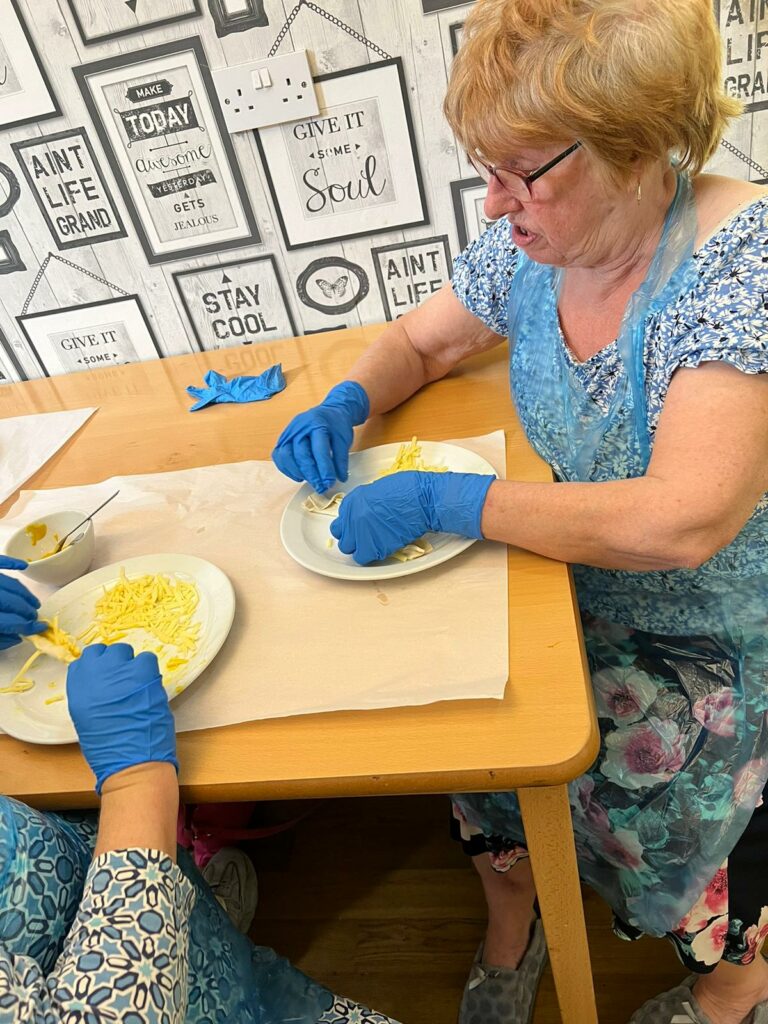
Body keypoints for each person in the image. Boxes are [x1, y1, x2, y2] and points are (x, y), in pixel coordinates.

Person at [271, 1, 768, 1021]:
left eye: (521, 172)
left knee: (686, 825)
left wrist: (450, 500)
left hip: (715, 633)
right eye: (485, 169)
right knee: (478, 750)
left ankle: (733, 986)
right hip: (561, 578)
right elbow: (423, 342)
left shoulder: (740, 263)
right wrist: (348, 399)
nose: (494, 203)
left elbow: (686, 519)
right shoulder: (535, 244)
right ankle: (517, 918)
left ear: (637, 148)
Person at [0, 554, 399, 1024]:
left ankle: (202, 918)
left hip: (142, 908)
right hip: (154, 973)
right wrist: (135, 780)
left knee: (235, 966)